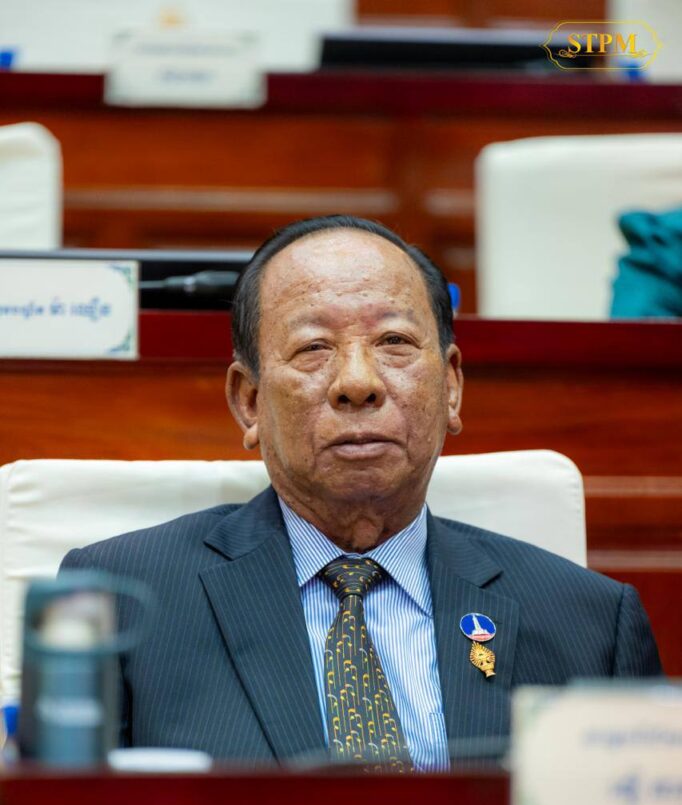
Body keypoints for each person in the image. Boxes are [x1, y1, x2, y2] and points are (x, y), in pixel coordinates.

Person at [61, 215, 662, 770]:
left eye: (394, 342)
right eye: (313, 348)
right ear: (249, 401)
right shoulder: (118, 600)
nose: (357, 382)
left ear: (451, 387)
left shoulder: (591, 624)